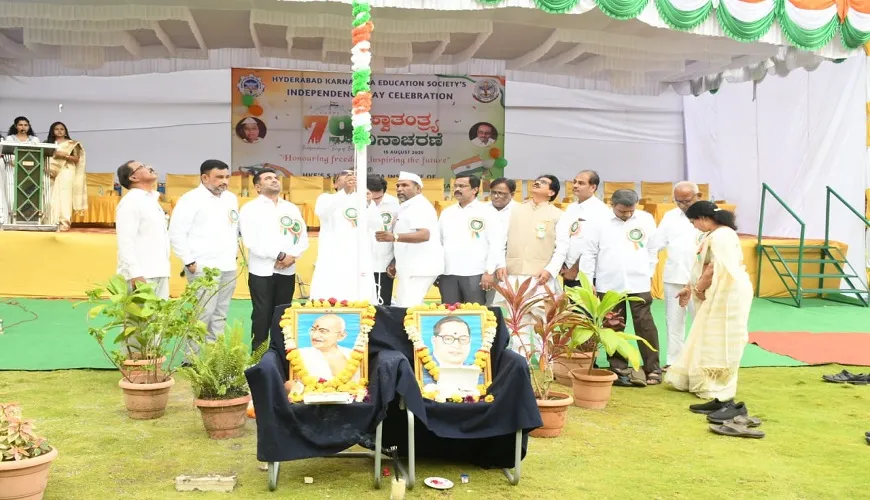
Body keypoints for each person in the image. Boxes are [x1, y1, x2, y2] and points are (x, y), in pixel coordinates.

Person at [665, 201, 752, 409]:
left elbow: (715, 268)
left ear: (703, 218)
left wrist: (698, 289)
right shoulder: (713, 235)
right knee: (704, 333)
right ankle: (699, 379)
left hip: (728, 294)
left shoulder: (722, 236)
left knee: (719, 336)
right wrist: (690, 288)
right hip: (716, 291)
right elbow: (700, 266)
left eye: (694, 222)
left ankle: (717, 387)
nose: (694, 226)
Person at [578, 189, 660, 387]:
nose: (627, 214)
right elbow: (589, 253)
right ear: (612, 204)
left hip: (639, 281)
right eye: (623, 211)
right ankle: (618, 368)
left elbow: (652, 249)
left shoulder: (646, 219)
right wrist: (588, 281)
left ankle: (653, 368)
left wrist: (649, 273)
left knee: (645, 325)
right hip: (609, 283)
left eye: (631, 210)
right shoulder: (598, 221)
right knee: (613, 326)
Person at [168, 160, 240, 356]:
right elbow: (176, 233)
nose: (224, 181)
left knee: (220, 313)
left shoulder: (231, 198)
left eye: (227, 177)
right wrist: (189, 261)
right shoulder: (190, 199)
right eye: (219, 177)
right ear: (205, 178)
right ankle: (191, 358)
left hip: (228, 265)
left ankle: (213, 356)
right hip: (202, 266)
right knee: (202, 313)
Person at [495, 174, 568, 351]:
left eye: (543, 183)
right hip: (514, 274)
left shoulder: (558, 215)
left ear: (551, 192)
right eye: (536, 181)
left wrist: (550, 270)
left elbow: (562, 247)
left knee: (542, 322)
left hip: (540, 276)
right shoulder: (514, 210)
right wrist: (500, 264)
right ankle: (521, 359)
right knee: (517, 322)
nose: (537, 183)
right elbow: (500, 240)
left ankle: (545, 360)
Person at [239, 168, 309, 350]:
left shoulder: (290, 208)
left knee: (283, 314)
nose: (274, 180)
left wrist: (293, 256)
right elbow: (250, 240)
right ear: (257, 187)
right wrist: (279, 255)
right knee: (262, 315)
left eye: (275, 177)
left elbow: (302, 236)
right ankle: (259, 356)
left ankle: (279, 355)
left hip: (287, 270)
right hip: (262, 270)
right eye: (268, 178)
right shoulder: (250, 209)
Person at [648, 181, 703, 368]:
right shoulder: (670, 216)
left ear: (698, 196)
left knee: (701, 322)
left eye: (686, 201)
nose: (682, 205)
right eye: (678, 201)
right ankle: (674, 362)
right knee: (673, 322)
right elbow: (655, 244)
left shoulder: (711, 215)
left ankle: (699, 362)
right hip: (674, 276)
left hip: (701, 279)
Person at [374, 171, 444, 307]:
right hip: (408, 267)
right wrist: (394, 262)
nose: (400, 189)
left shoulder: (420, 206)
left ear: (418, 189)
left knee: (408, 307)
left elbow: (424, 234)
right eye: (398, 186)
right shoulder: (406, 206)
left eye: (405, 185)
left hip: (420, 268)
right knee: (404, 306)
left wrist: (394, 237)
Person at [311, 170, 379, 301]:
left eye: (352, 175)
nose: (350, 177)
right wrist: (345, 192)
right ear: (335, 184)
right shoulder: (326, 198)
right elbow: (322, 212)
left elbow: (376, 224)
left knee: (360, 294)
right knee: (333, 292)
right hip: (334, 255)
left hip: (358, 256)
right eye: (345, 175)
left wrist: (370, 203)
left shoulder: (362, 201)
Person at [438, 173, 500, 304]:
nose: (457, 189)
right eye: (455, 186)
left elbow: (496, 244)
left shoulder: (487, 211)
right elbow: (439, 242)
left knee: (475, 312)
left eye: (462, 186)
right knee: (449, 312)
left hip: (476, 272)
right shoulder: (447, 212)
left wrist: (489, 271)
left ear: (475, 189)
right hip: (448, 272)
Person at [115, 161, 170, 299]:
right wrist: (135, 274)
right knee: (139, 313)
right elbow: (125, 242)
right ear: (133, 177)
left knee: (160, 313)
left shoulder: (152, 200)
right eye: (142, 167)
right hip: (142, 275)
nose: (150, 167)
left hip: (159, 271)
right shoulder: (130, 202)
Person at [561, 170, 610, 288]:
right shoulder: (571, 207)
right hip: (568, 270)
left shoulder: (600, 210)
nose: (575, 185)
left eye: (581, 183)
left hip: (585, 273)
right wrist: (563, 265)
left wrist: (575, 270)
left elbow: (591, 245)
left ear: (593, 187)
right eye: (575, 182)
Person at [45, 122, 87, 232]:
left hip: (66, 170)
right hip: (50, 172)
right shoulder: (47, 143)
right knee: (50, 195)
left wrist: (65, 155)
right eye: (56, 129)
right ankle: (50, 221)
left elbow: (77, 159)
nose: (59, 131)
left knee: (65, 196)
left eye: (62, 129)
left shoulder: (71, 144)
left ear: (65, 131)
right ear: (52, 131)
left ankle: (64, 222)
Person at [367, 174, 400, 306]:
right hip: (360, 263)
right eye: (371, 198)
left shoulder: (395, 205)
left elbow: (398, 233)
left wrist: (394, 262)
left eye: (378, 198)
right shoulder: (354, 204)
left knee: (383, 304)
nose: (374, 202)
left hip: (384, 263)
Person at [1, 117, 41, 225]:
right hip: (12, 169)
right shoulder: (9, 138)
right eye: (20, 125)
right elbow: (8, 155)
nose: (23, 127)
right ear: (16, 126)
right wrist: (18, 163)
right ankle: (10, 221)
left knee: (28, 194)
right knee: (11, 195)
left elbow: (37, 154)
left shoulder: (34, 140)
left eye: (25, 125)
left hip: (31, 171)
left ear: (29, 126)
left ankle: (26, 221)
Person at [298, 314, 357, 381]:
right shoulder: (299, 355)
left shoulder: (352, 355)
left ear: (341, 336)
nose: (314, 336)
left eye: (323, 331)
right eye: (313, 330)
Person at [485, 177, 515, 305]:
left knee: (507, 305)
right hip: (485, 263)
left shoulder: (519, 211)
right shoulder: (482, 210)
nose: (496, 196)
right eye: (493, 192)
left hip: (510, 265)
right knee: (485, 303)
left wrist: (501, 263)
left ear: (512, 194)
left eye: (501, 193)